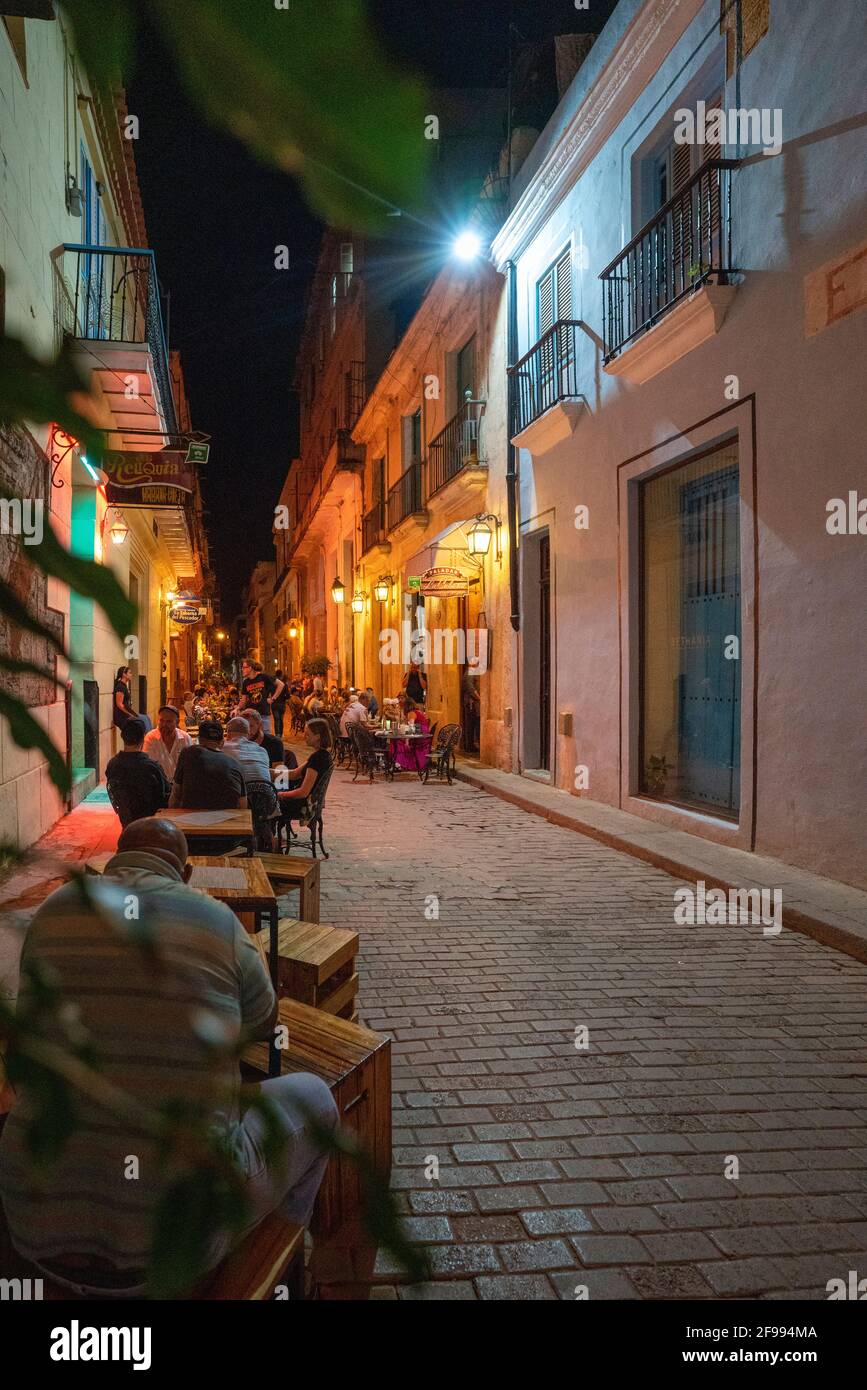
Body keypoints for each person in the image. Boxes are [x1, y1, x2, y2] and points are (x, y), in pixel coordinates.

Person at [0, 817, 338, 1292]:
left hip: (37, 1237)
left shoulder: (56, 908)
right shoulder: (215, 917)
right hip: (177, 1249)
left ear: (114, 861)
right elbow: (264, 1023)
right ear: (184, 873)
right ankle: (261, 1256)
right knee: (316, 1100)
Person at [105, 719, 171, 826]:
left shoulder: (112, 765)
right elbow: (165, 796)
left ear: (122, 736)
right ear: (143, 737)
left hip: (127, 823)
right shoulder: (152, 768)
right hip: (153, 825)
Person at [170, 719, 247, 809]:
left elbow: (175, 795)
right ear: (222, 742)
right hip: (227, 819)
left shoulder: (188, 753)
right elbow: (243, 805)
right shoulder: (236, 765)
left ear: (199, 740)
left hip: (192, 818)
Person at [276, 718, 332, 819]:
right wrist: (267, 772)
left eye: (307, 734)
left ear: (317, 736)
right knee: (289, 756)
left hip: (303, 805)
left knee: (266, 800)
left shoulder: (317, 758)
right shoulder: (323, 755)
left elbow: (303, 792)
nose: (304, 737)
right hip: (304, 800)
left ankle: (265, 832)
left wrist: (281, 794)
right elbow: (294, 774)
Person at [143, 705, 192, 784]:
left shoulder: (185, 738)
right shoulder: (150, 738)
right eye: (161, 720)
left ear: (177, 722)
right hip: (158, 786)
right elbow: (147, 767)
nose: (164, 724)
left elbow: (189, 766)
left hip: (179, 786)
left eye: (169, 721)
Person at [238, 658, 284, 736]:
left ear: (250, 668)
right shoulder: (246, 682)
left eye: (244, 667)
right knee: (252, 737)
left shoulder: (263, 677)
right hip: (251, 715)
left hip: (263, 714)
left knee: (265, 737)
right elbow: (243, 700)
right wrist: (237, 709)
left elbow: (281, 684)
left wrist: (273, 698)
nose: (242, 669)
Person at [223, 715, 271, 785]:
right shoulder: (262, 750)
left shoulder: (222, 748)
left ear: (228, 733)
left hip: (240, 793)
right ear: (248, 734)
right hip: (266, 793)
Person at [394, 697, 430, 773]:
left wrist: (407, 741)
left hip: (420, 735)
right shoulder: (417, 711)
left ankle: (399, 763)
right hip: (423, 734)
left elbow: (410, 728)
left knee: (399, 741)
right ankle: (399, 763)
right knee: (400, 740)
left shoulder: (411, 713)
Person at [112, 665, 140, 730]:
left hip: (125, 714)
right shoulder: (120, 687)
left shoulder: (124, 686)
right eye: (129, 673)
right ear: (124, 674)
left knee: (140, 720)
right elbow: (119, 704)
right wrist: (130, 714)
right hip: (121, 716)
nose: (131, 675)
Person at [271, 669, 288, 738]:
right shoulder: (284, 685)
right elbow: (288, 695)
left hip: (274, 703)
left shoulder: (272, 684)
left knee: (276, 719)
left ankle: (277, 734)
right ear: (281, 675)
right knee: (281, 719)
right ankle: (281, 733)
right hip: (282, 704)